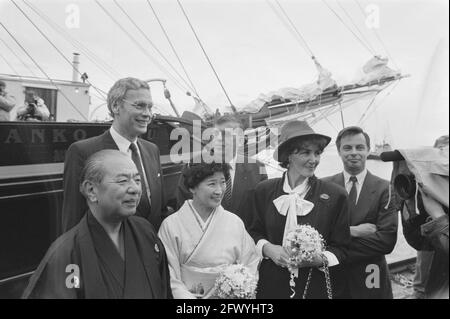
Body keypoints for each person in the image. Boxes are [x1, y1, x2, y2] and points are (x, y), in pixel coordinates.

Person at [22, 150, 172, 298]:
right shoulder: (67, 252)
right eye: (122, 181)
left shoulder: (145, 231)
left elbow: (164, 289)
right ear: (91, 190)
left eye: (137, 180)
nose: (135, 189)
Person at [242, 120, 350, 299]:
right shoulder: (263, 191)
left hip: (314, 287)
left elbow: (342, 249)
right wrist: (269, 249)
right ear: (288, 155)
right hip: (270, 287)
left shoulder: (335, 195)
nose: (313, 160)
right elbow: (251, 232)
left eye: (317, 153)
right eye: (306, 152)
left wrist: (318, 259)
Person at [62, 77, 165, 233]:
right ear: (116, 106)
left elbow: (159, 209)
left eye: (150, 107)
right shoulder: (83, 152)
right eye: (140, 106)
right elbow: (74, 219)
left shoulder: (152, 151)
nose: (147, 114)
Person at [158, 160, 260, 299]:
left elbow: (250, 262)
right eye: (212, 184)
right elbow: (168, 272)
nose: (219, 190)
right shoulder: (171, 224)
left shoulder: (234, 222)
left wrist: (240, 287)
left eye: (223, 182)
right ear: (192, 188)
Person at [323, 126, 398, 299]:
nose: (354, 152)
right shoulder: (325, 187)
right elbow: (318, 233)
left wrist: (335, 247)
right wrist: (353, 231)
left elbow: (386, 241)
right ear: (339, 151)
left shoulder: (385, 188)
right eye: (347, 148)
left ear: (368, 150)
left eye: (360, 147)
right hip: (335, 280)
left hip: (371, 277)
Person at [175, 114, 267, 223]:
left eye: (226, 134)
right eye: (216, 134)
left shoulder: (257, 168)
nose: (219, 139)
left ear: (240, 139)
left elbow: (261, 212)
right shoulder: (193, 165)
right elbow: (183, 209)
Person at [413, 134, 449, 299]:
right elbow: (415, 239)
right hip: (430, 245)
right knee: (422, 284)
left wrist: (438, 215)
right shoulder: (427, 182)